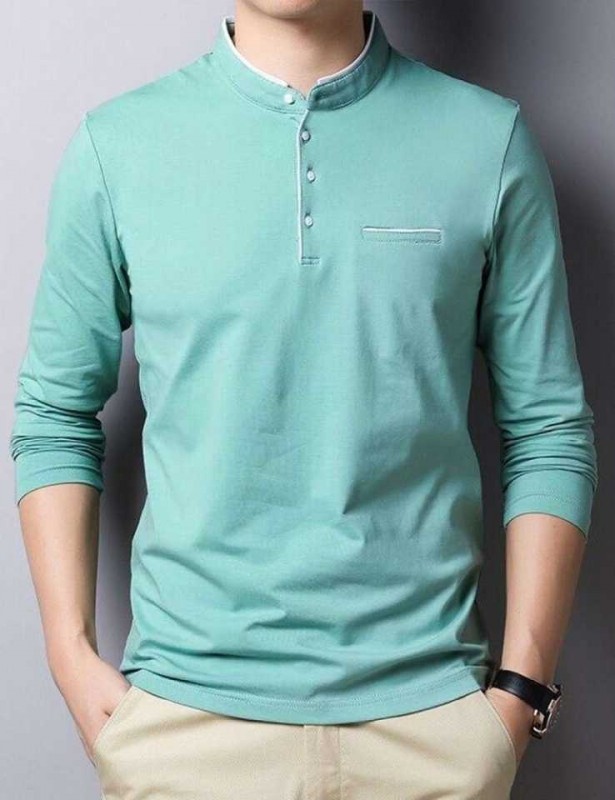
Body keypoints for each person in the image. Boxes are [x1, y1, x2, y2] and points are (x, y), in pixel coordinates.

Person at [9, 1, 598, 798]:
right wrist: (69, 655)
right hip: (183, 727)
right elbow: (55, 412)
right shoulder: (118, 147)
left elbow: (547, 428)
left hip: (431, 728)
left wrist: (520, 691)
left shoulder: (486, 142)